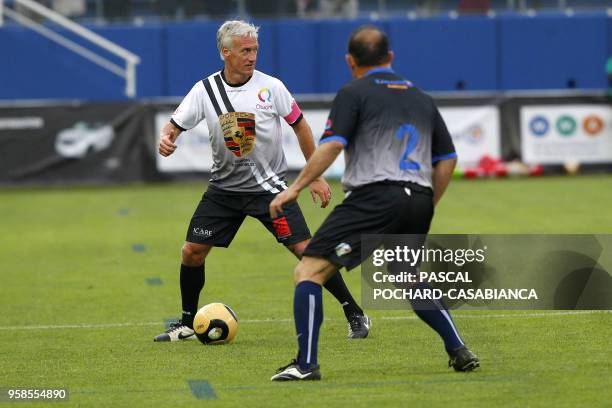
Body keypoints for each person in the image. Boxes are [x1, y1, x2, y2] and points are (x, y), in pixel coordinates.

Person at [269, 25, 479, 381]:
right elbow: (448, 159)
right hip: (418, 199)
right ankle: (458, 349)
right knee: (409, 277)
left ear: (350, 61)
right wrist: (429, 202)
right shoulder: (420, 97)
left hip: (374, 197)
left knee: (308, 272)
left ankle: (306, 365)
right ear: (391, 58)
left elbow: (333, 144)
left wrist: (295, 188)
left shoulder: (354, 92)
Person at [154, 20, 370, 342]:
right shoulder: (205, 90)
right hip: (223, 191)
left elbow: (301, 127)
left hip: (269, 191)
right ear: (225, 52)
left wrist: (315, 176)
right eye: (245, 50)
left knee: (306, 251)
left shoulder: (272, 87)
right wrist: (166, 139)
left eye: (255, 49)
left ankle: (354, 311)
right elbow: (173, 126)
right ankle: (187, 322)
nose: (252, 56)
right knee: (191, 251)